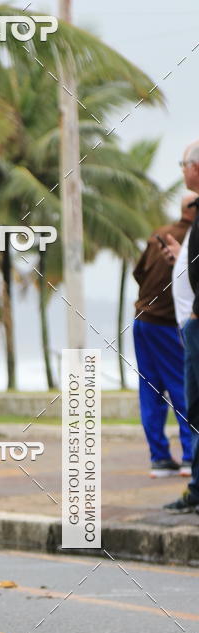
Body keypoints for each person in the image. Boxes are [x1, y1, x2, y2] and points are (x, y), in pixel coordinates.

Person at [132, 195, 196, 477]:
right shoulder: (191, 237)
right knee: (183, 387)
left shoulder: (159, 233)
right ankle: (189, 456)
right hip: (167, 324)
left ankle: (159, 458)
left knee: (150, 389)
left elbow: (137, 273)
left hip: (141, 320)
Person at [162, 141, 199, 512]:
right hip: (191, 326)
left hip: (196, 325)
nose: (182, 171)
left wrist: (196, 315)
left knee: (196, 408)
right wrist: (180, 261)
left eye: (184, 164)